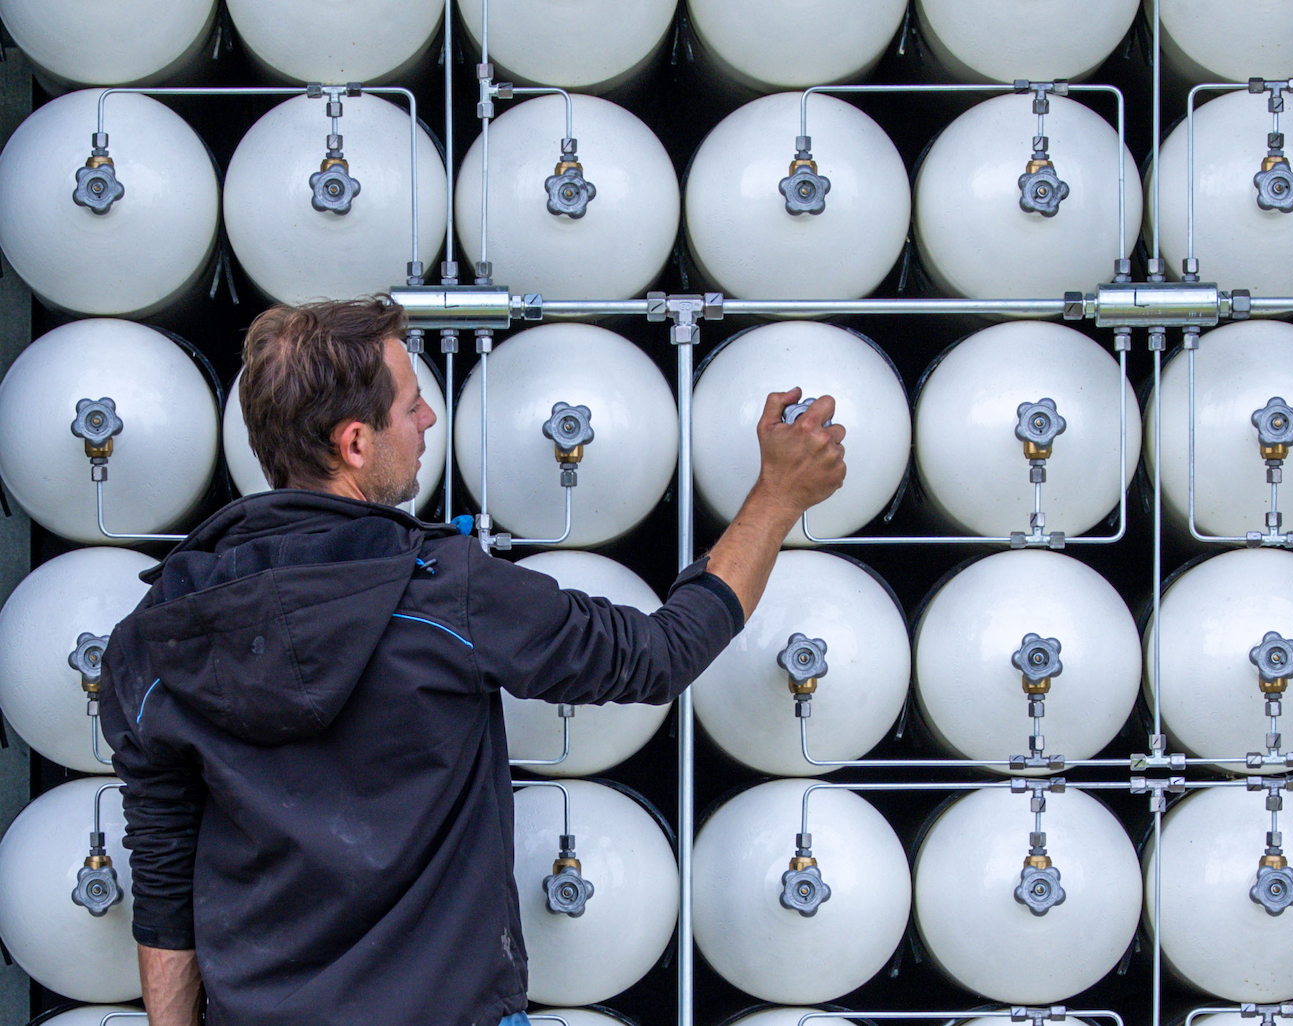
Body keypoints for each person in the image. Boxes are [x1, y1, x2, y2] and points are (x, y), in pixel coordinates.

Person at [98, 298, 847, 1026]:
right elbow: (657, 656)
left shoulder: (153, 641)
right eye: (412, 405)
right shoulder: (446, 595)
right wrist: (776, 499)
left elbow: (165, 888)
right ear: (355, 443)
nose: (429, 420)